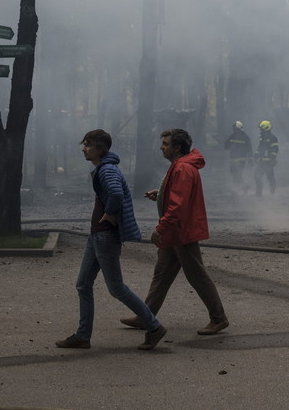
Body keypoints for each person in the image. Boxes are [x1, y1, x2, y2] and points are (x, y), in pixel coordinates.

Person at [57, 129, 167, 351]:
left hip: (105, 235)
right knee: (83, 284)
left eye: (88, 144)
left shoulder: (107, 170)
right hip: (97, 234)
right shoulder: (105, 168)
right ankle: (82, 336)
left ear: (100, 148)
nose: (83, 148)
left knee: (116, 288)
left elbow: (115, 193)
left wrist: (108, 213)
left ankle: (154, 327)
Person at [121, 128, 229, 335]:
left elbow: (178, 206)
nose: (162, 147)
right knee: (161, 274)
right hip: (175, 232)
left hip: (181, 232)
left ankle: (219, 318)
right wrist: (161, 193)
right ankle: (146, 316)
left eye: (166, 144)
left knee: (197, 275)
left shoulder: (183, 169)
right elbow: (177, 195)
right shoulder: (179, 166)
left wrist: (160, 228)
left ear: (177, 147)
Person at [222, 121, 253, 194]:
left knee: (237, 174)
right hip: (235, 160)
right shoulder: (244, 137)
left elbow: (226, 146)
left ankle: (243, 187)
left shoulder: (235, 136)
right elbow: (226, 146)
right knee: (235, 175)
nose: (234, 130)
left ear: (238, 129)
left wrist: (251, 160)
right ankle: (239, 188)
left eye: (235, 129)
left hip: (238, 160)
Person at [254, 120, 279, 196]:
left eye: (261, 129)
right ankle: (259, 194)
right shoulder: (262, 138)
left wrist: (272, 157)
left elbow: (275, 148)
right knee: (256, 176)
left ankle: (272, 192)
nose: (260, 130)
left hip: (269, 162)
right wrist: (256, 154)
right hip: (262, 161)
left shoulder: (273, 137)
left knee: (270, 177)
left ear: (266, 128)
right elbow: (260, 147)